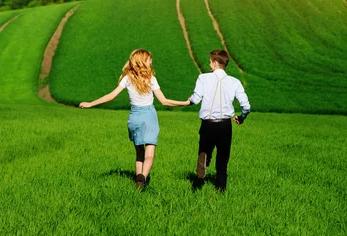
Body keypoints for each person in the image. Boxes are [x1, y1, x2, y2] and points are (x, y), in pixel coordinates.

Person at [79, 49, 190, 190]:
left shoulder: (127, 79)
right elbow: (164, 101)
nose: (151, 62)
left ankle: (138, 180)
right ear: (143, 62)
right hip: (149, 117)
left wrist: (91, 103)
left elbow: (111, 96)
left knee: (139, 153)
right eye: (149, 60)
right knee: (149, 154)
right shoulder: (151, 79)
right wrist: (185, 103)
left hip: (135, 118)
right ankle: (143, 177)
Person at [188, 50, 250, 192]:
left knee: (205, 149)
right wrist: (241, 117)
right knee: (222, 160)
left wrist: (186, 101)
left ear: (216, 63)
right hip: (225, 125)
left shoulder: (203, 78)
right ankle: (221, 190)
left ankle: (198, 182)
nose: (209, 64)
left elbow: (195, 99)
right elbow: (246, 106)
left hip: (207, 123)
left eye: (210, 61)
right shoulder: (235, 82)